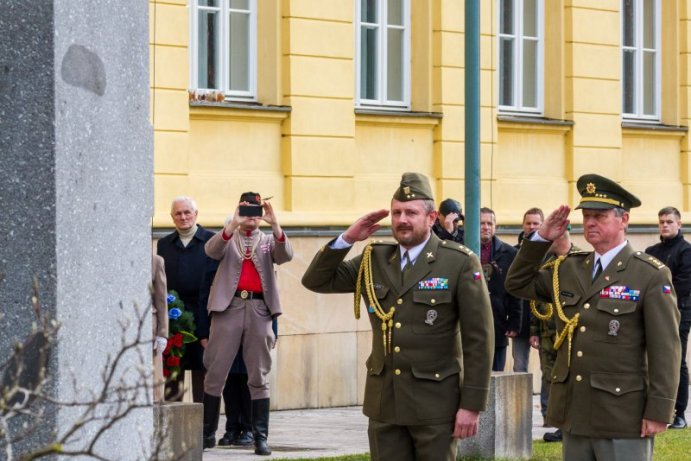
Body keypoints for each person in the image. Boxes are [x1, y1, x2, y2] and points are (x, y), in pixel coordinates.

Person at [302, 172, 494, 461]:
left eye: (411, 213)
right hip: (385, 404)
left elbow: (479, 338)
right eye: (396, 213)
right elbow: (316, 280)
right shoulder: (373, 259)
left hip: (435, 406)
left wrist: (472, 405)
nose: (402, 219)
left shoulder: (458, 262)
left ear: (431, 218)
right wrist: (347, 238)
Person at [505, 173, 681, 460]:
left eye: (599, 216)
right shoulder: (571, 268)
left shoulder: (648, 274)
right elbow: (517, 283)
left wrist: (659, 410)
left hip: (622, 415)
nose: (590, 222)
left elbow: (666, 349)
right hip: (576, 412)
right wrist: (541, 239)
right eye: (586, 216)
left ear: (623, 220)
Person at [202, 192, 292, 455]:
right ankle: (207, 434)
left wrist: (275, 224)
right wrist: (232, 224)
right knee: (216, 372)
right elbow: (211, 251)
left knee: (259, 374)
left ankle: (259, 436)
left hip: (259, 309)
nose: (251, 216)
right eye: (247, 210)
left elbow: (285, 255)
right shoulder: (229, 237)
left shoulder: (267, 241)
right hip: (228, 308)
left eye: (256, 211)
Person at [157, 196, 214, 402]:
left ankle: (205, 429)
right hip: (174, 319)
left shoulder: (212, 240)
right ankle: (171, 428)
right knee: (173, 373)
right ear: (172, 217)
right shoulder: (164, 244)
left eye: (187, 212)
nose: (183, 217)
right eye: (178, 213)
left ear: (196, 214)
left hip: (204, 317)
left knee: (204, 373)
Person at [528, 226, 578, 442]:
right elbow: (534, 298)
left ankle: (569, 423)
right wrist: (534, 331)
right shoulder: (547, 262)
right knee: (551, 378)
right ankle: (555, 421)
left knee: (570, 380)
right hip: (548, 332)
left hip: (570, 334)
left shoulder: (579, 262)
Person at [645, 206, 691, 430]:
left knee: (676, 361)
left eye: (669, 221)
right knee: (648, 359)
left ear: (679, 224)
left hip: (678, 314)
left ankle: (679, 412)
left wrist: (658, 294)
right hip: (650, 313)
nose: (665, 225)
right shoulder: (651, 251)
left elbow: (682, 285)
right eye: (661, 221)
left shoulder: (686, 251)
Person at [480, 207, 520, 372]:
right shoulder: (462, 249)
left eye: (490, 223)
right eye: (481, 223)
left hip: (498, 323)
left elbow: (515, 290)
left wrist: (514, 323)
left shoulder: (509, 253)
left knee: (497, 374)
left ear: (495, 226)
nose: (486, 227)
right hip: (469, 325)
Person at [512, 207, 544, 373]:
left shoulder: (550, 252)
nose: (532, 227)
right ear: (523, 225)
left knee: (548, 369)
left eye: (536, 223)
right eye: (528, 223)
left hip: (544, 319)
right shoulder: (513, 252)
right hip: (521, 319)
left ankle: (547, 401)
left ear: (543, 225)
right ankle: (520, 401)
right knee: (519, 367)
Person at [151, 254, 168, 404]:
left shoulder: (155, 261)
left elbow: (161, 298)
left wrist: (163, 332)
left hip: (150, 328)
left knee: (154, 391)